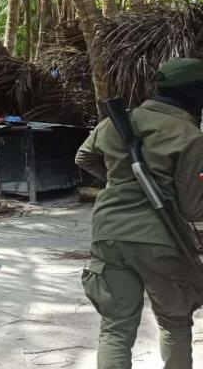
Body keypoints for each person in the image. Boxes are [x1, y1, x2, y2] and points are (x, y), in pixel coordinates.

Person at [75, 57, 203, 369]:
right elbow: (192, 207)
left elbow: (84, 156)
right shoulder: (189, 135)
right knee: (174, 324)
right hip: (162, 239)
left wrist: (118, 180)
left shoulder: (120, 121)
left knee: (116, 330)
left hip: (109, 234)